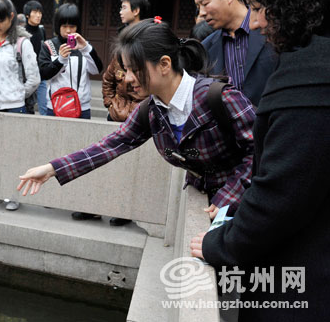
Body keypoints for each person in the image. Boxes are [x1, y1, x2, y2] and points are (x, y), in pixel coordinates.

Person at [190, 0, 330, 321]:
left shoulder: (310, 79)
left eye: (259, 7)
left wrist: (221, 242)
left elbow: (281, 195)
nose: (256, 22)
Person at [18, 19, 256, 224]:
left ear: (164, 64)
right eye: (126, 69)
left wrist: (230, 194)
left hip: (247, 207)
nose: (129, 79)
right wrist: (51, 169)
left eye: (135, 69)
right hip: (206, 206)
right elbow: (110, 145)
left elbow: (261, 151)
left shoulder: (219, 98)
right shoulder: (151, 110)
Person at [38, 2, 103, 221]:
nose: (68, 30)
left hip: (81, 108)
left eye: (72, 25)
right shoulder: (49, 46)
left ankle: (79, 199)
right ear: (58, 26)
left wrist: (86, 48)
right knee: (53, 150)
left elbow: (97, 69)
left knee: (81, 154)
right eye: (64, 26)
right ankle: (52, 196)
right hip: (56, 108)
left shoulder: (81, 47)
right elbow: (44, 73)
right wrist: (61, 59)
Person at [0, 0, 40, 211]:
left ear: (11, 17)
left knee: (14, 152)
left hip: (14, 105)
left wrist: (16, 94)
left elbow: (34, 78)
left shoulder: (23, 43)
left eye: (0, 20)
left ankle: (12, 194)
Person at [192, 0, 277, 106]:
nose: (201, 13)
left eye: (205, 4)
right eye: (198, 6)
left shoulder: (271, 30)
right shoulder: (206, 47)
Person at [101, 0, 150, 226]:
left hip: (140, 117)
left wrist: (137, 111)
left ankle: (126, 210)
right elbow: (108, 78)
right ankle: (105, 205)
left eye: (124, 7)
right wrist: (111, 104)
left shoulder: (149, 40)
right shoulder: (124, 39)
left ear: (137, 10)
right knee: (110, 162)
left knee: (134, 168)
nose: (120, 11)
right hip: (117, 115)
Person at [23, 0, 47, 115]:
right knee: (28, 108)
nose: (39, 15)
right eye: (35, 12)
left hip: (41, 75)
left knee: (45, 108)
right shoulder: (23, 33)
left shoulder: (42, 30)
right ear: (27, 15)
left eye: (40, 12)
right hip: (28, 77)